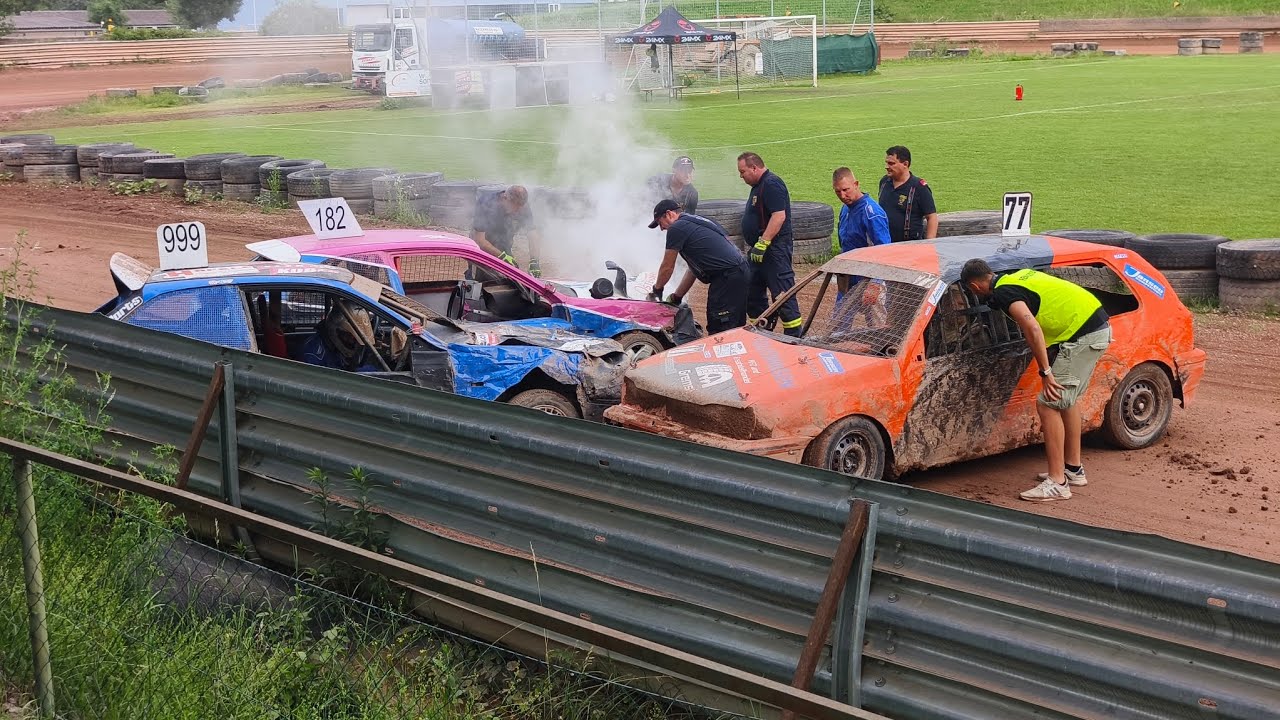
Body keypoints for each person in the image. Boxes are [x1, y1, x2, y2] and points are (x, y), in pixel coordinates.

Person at [961, 259, 1113, 502]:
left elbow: (1032, 329)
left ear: (975, 286)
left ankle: (1058, 483)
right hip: (1093, 325)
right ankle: (1073, 469)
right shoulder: (1016, 275)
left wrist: (1045, 371)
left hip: (1083, 334)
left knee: (1048, 403)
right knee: (1065, 400)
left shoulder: (1004, 293)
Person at [645, 199, 749, 333]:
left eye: (660, 222)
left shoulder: (676, 228)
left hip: (727, 278)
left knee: (720, 328)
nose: (662, 228)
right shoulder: (697, 221)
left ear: (669, 214)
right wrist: (677, 297)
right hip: (740, 272)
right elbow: (693, 270)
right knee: (735, 326)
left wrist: (656, 290)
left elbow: (667, 266)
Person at [737, 151, 803, 337]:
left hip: (774, 251)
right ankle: (762, 329)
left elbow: (779, 216)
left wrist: (764, 242)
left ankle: (794, 336)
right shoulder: (759, 186)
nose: (741, 176)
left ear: (754, 167)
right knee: (751, 288)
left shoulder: (772, 184)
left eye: (742, 172)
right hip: (759, 251)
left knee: (782, 294)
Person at [832, 167, 891, 327]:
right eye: (838, 192)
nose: (843, 196)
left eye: (846, 190)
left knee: (878, 331)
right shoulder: (845, 209)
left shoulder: (872, 213)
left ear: (856, 184)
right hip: (849, 279)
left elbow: (884, 250)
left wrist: (876, 283)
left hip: (870, 279)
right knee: (837, 327)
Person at [472, 184, 544, 276]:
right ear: (505, 198)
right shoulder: (485, 204)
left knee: (510, 274)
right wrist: (502, 256)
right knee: (482, 278)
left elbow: (532, 233)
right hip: (483, 248)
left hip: (504, 243)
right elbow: (479, 240)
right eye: (515, 208)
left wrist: (535, 261)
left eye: (520, 208)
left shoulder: (522, 205)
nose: (517, 211)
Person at [298, 303, 383, 372]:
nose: (352, 341)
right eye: (348, 336)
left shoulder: (331, 344)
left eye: (354, 337)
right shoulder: (314, 356)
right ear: (335, 329)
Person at [878, 146, 938, 243]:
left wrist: (929, 244)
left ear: (905, 164)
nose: (887, 166)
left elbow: (932, 217)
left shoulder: (919, 187)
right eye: (886, 163)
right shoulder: (884, 182)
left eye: (891, 163)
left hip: (910, 246)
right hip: (885, 244)